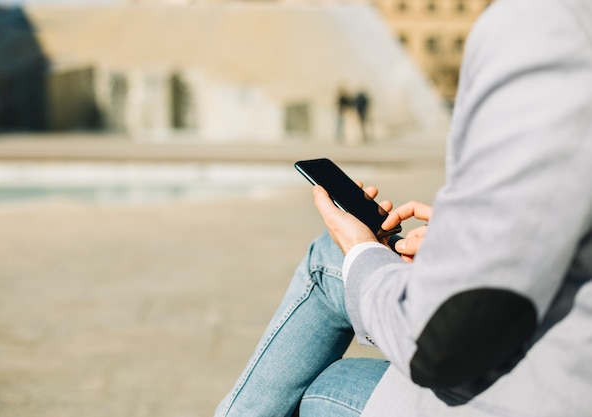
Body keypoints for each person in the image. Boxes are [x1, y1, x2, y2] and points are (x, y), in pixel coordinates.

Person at [215, 0, 592, 415]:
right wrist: (460, 236)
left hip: (543, 390)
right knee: (333, 253)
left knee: (328, 373)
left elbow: (441, 343)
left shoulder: (545, 28)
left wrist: (363, 253)